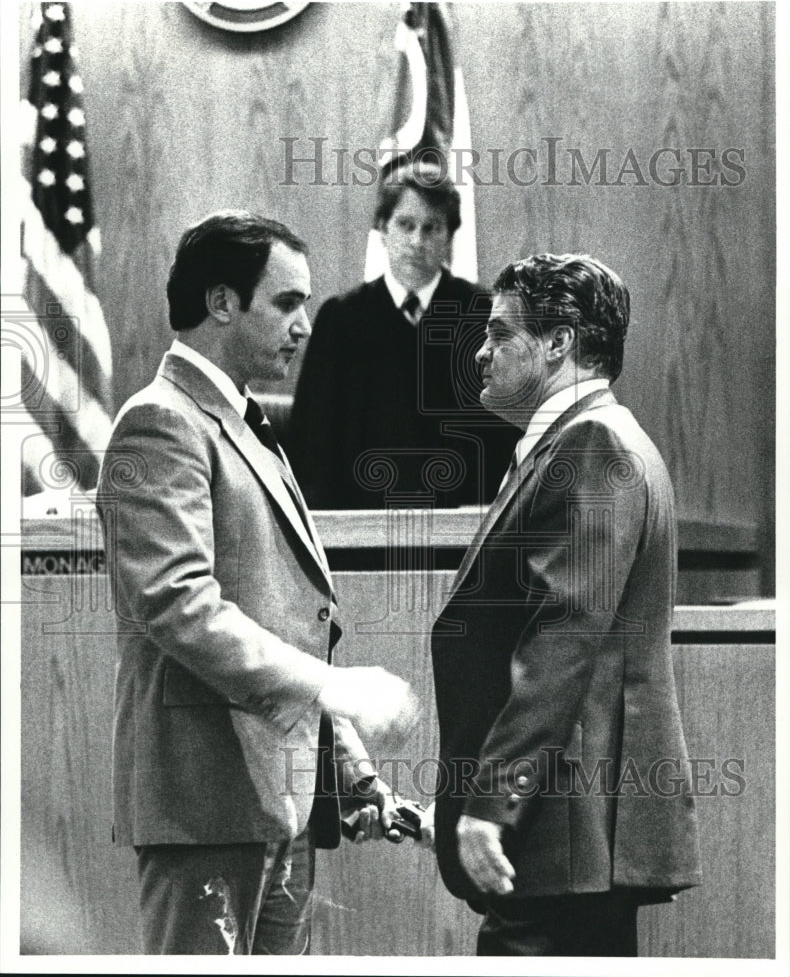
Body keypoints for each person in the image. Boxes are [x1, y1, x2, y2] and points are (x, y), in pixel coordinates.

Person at [95, 210, 418, 955]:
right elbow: (179, 607)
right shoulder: (161, 423)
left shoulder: (246, 426)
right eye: (286, 302)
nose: (305, 324)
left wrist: (352, 771)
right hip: (205, 802)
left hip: (280, 801)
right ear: (220, 303)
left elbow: (293, 620)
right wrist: (335, 691)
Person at [427, 253, 702, 956]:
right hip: (568, 829)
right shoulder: (580, 441)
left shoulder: (591, 445)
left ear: (559, 342)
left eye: (498, 333)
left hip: (560, 832)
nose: (481, 353)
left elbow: (561, 642)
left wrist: (490, 804)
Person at [286, 162, 519, 509]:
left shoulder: (484, 315)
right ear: (383, 228)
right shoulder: (342, 318)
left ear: (449, 236)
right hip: (361, 529)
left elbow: (507, 432)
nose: (417, 241)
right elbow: (313, 443)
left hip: (465, 530)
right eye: (406, 225)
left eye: (432, 228)